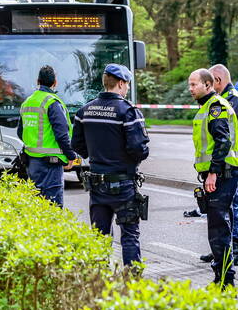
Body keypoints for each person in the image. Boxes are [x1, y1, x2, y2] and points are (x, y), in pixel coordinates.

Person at [72, 63, 150, 268]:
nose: (128, 89)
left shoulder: (84, 111)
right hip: (124, 185)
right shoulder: (128, 112)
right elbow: (139, 149)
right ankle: (132, 283)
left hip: (97, 185)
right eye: (128, 85)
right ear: (121, 84)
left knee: (99, 237)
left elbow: (77, 145)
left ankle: (99, 281)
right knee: (129, 236)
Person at [188, 68, 238, 287]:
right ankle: (223, 277)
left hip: (223, 173)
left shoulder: (215, 107)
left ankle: (225, 282)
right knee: (221, 223)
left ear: (208, 84)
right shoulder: (208, 106)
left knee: (218, 227)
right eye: (189, 85)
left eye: (194, 84)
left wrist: (213, 172)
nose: (190, 89)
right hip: (222, 172)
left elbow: (223, 142)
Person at [201, 64, 238, 266]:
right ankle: (221, 249)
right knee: (222, 208)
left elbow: (223, 132)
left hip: (231, 161)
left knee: (233, 204)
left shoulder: (232, 100)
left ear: (217, 81)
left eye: (210, 83)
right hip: (223, 161)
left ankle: (234, 249)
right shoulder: (224, 99)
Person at [17, 65, 76, 207]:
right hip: (51, 164)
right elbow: (62, 135)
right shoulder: (52, 102)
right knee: (53, 206)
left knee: (36, 205)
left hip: (32, 163)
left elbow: (20, 132)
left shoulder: (28, 102)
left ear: (38, 81)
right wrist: (71, 156)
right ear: (55, 83)